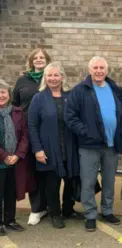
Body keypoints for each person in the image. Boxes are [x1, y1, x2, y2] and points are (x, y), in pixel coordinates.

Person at [64, 56, 122, 232]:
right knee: (88, 181)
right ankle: (90, 214)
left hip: (111, 145)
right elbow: (70, 116)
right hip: (89, 145)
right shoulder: (80, 90)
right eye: (95, 68)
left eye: (102, 68)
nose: (99, 71)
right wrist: (87, 132)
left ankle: (107, 211)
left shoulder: (114, 89)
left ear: (106, 71)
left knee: (109, 180)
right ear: (90, 70)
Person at [28, 63, 80, 229]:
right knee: (52, 183)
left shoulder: (70, 96)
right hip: (49, 149)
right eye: (49, 75)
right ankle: (55, 213)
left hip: (70, 147)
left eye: (56, 75)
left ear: (62, 77)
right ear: (45, 78)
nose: (53, 78)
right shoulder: (39, 98)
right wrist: (37, 149)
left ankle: (68, 209)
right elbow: (32, 125)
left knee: (71, 180)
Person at [12, 48, 51, 226]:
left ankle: (50, 205)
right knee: (31, 170)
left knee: (47, 169)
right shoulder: (22, 80)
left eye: (42, 57)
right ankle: (36, 208)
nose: (39, 60)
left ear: (47, 60)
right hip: (26, 131)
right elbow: (14, 105)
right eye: (36, 58)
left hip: (47, 131)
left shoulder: (51, 78)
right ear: (31, 61)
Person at [0, 79, 29, 235]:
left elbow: (25, 135)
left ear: (9, 94)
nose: (1, 95)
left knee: (11, 192)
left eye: (3, 92)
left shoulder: (17, 112)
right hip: (1, 161)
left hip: (14, 162)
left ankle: (10, 220)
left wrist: (17, 155)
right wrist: (5, 155)